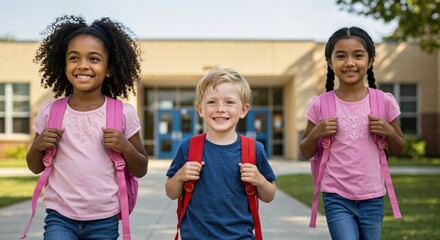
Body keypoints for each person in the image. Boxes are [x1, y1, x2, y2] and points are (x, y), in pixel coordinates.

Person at [26, 15, 148, 240]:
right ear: (64, 65)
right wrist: (38, 146)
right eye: (74, 58)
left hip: (105, 218)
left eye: (94, 59)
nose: (83, 65)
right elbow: (34, 167)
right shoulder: (50, 112)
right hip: (59, 216)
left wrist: (126, 148)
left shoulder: (122, 113)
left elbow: (141, 168)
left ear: (109, 68)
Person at [299, 26, 406, 240]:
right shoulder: (320, 104)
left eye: (358, 55)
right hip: (336, 196)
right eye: (340, 56)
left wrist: (390, 132)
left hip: (373, 196)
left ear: (370, 60)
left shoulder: (383, 102)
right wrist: (316, 133)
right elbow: (305, 151)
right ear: (330, 62)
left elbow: (400, 148)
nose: (349, 63)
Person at [165, 67, 277, 239]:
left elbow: (269, 196)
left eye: (229, 102)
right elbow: (171, 192)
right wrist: (180, 175)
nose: (220, 109)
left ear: (244, 110)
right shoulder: (188, 147)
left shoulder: (254, 149)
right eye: (212, 102)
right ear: (200, 109)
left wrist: (259, 180)